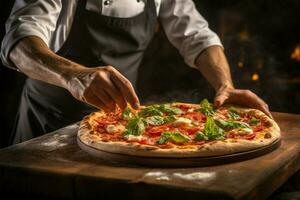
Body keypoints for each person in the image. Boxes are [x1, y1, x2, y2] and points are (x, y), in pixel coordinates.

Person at [1, 0, 271, 144]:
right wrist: (73, 75)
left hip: (123, 129)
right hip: (48, 126)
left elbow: (198, 37)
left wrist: (225, 85)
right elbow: (18, 44)